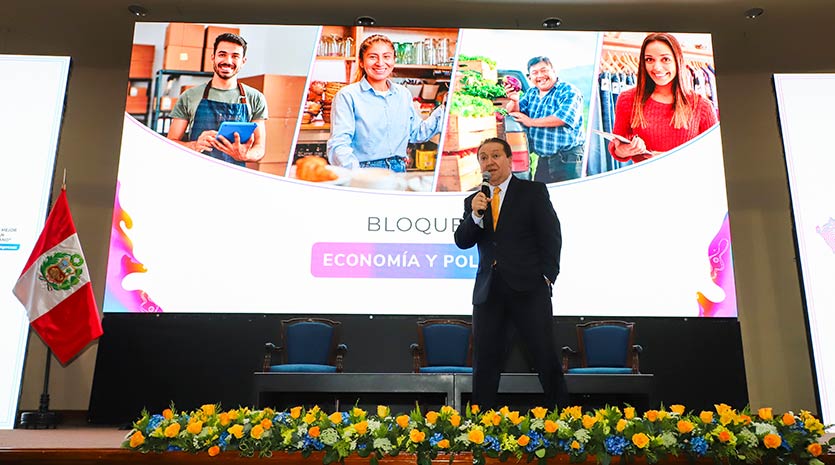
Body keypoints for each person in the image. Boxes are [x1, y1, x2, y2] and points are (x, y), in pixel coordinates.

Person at [453, 137, 569, 410]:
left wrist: (547, 276)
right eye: (483, 157)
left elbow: (551, 236)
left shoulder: (532, 191)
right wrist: (476, 215)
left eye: (495, 155)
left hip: (529, 289)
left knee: (545, 357)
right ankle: (482, 423)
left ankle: (564, 420)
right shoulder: (474, 200)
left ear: (509, 160)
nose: (489, 162)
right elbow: (462, 241)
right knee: (485, 363)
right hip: (489, 291)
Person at [327, 34, 444, 173]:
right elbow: (338, 145)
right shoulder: (347, 95)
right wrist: (356, 174)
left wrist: (445, 108)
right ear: (361, 62)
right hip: (365, 171)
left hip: (399, 170)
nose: (380, 63)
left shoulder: (403, 94)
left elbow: (416, 133)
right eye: (373, 57)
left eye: (386, 56)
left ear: (394, 60)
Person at [609, 32, 718, 163]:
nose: (657, 67)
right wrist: (623, 150)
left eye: (665, 59)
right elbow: (617, 146)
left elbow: (715, 155)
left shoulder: (702, 106)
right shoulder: (627, 99)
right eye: (649, 59)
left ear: (677, 61)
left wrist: (672, 159)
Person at [168, 32, 267, 167]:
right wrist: (194, 145)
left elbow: (260, 148)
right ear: (213, 57)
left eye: (235, 56)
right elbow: (170, 143)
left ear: (243, 61)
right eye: (222, 54)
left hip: (234, 175)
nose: (228, 61)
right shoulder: (189, 96)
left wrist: (245, 155)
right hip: (197, 172)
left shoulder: (255, 98)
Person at [504, 56, 585, 184]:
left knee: (568, 194)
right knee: (541, 194)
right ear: (530, 77)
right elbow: (514, 113)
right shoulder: (531, 93)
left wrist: (531, 122)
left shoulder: (568, 91)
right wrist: (514, 100)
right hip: (544, 160)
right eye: (535, 73)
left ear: (554, 71)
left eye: (544, 70)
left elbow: (564, 118)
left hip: (568, 159)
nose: (540, 75)